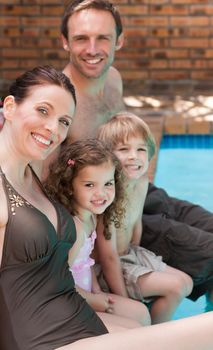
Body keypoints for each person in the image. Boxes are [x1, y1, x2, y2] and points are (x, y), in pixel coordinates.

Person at [1, 66, 213, 350]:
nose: (53, 128)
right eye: (42, 110)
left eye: (64, 121)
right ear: (10, 106)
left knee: (141, 322)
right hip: (43, 337)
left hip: (74, 313)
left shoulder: (35, 170)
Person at [54, 0, 213, 303]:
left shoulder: (113, 79)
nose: (92, 49)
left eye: (103, 38)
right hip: (113, 213)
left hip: (141, 192)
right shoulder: (64, 103)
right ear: (65, 42)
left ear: (120, 40)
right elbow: (53, 186)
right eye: (81, 38)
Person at [96, 111, 193, 324]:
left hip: (131, 254)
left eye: (141, 149)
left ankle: (158, 328)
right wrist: (123, 299)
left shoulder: (141, 183)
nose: (134, 156)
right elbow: (107, 256)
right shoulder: (107, 194)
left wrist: (140, 260)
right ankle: (154, 336)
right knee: (175, 287)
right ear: (107, 155)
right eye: (124, 149)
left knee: (186, 283)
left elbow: (135, 223)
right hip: (108, 268)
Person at [45, 138, 151, 327]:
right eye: (89, 185)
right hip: (69, 304)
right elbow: (58, 280)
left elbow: (86, 264)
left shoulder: (92, 218)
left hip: (87, 295)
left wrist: (97, 291)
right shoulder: (74, 228)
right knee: (133, 328)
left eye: (108, 184)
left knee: (141, 313)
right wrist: (91, 299)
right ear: (69, 186)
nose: (101, 193)